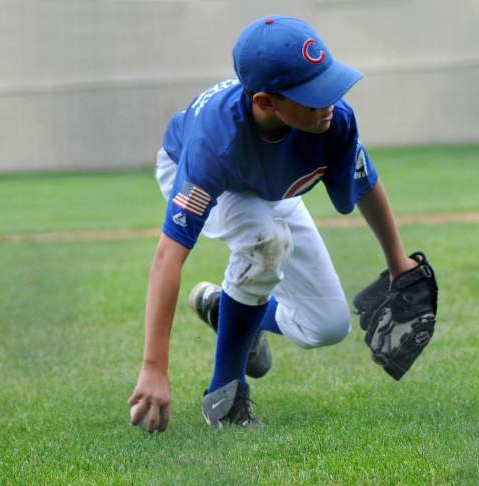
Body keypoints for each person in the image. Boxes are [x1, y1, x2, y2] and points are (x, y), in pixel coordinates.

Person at [128, 15, 417, 432]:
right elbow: (168, 255)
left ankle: (222, 307)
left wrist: (398, 263)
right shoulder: (215, 143)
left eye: (329, 84)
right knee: (267, 241)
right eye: (313, 95)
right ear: (265, 102)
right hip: (194, 171)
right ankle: (225, 397)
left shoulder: (331, 120)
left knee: (327, 324)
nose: (329, 103)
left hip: (267, 185)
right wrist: (154, 367)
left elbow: (366, 183)